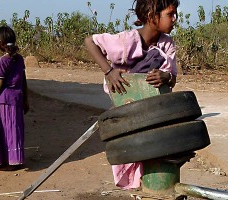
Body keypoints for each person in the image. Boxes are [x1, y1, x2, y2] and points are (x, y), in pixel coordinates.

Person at [85, 0, 179, 189]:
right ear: (152, 16)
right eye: (170, 14)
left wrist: (166, 76)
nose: (175, 19)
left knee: (155, 160)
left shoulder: (167, 45)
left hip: (154, 112)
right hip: (128, 110)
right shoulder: (127, 41)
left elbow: (173, 78)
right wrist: (109, 71)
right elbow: (89, 41)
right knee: (133, 156)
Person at [0, 26, 29, 171]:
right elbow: (23, 81)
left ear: (1, 43)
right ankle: (15, 160)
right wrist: (25, 99)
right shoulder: (19, 59)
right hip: (17, 99)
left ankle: (4, 161)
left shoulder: (1, 62)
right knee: (15, 130)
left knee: (3, 131)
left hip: (4, 101)